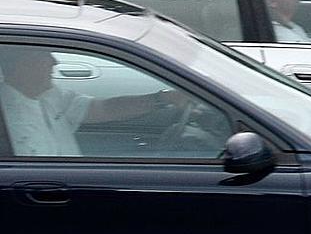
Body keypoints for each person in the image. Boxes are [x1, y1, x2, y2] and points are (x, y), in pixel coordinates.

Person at [0, 46, 185, 157]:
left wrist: (163, 98)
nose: (54, 62)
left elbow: (104, 109)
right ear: (22, 65)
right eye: (43, 56)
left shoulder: (49, 95)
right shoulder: (7, 117)